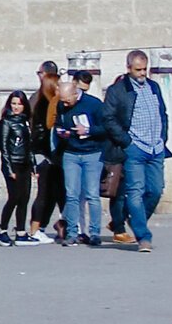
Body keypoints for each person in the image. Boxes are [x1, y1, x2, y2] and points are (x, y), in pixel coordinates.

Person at [104, 49, 172, 248]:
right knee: (135, 191)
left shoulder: (153, 87)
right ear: (128, 68)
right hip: (135, 147)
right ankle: (144, 237)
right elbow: (108, 118)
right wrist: (127, 142)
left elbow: (162, 113)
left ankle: (132, 219)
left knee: (155, 190)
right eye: (138, 70)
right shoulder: (117, 90)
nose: (142, 73)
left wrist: (163, 136)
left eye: (144, 69)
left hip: (155, 147)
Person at [49, 67, 120, 247]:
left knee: (92, 195)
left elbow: (106, 129)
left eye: (67, 101)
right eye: (62, 102)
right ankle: (73, 232)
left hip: (92, 153)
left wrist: (87, 130)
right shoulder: (61, 104)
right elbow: (59, 121)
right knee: (71, 195)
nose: (64, 105)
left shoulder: (94, 104)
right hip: (71, 153)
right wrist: (61, 131)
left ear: (76, 93)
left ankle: (95, 233)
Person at [27, 61, 65, 241]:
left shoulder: (52, 103)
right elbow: (39, 132)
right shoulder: (41, 103)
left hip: (51, 154)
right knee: (44, 192)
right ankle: (35, 229)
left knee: (56, 192)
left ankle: (54, 225)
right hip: (44, 154)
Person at [0, 89, 36, 241]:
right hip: (13, 164)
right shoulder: (6, 122)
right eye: (13, 104)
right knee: (14, 197)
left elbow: (30, 146)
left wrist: (33, 166)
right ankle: (2, 229)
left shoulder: (25, 122)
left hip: (25, 164)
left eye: (19, 104)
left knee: (24, 198)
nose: (16, 107)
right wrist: (9, 169)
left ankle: (21, 231)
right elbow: (4, 147)